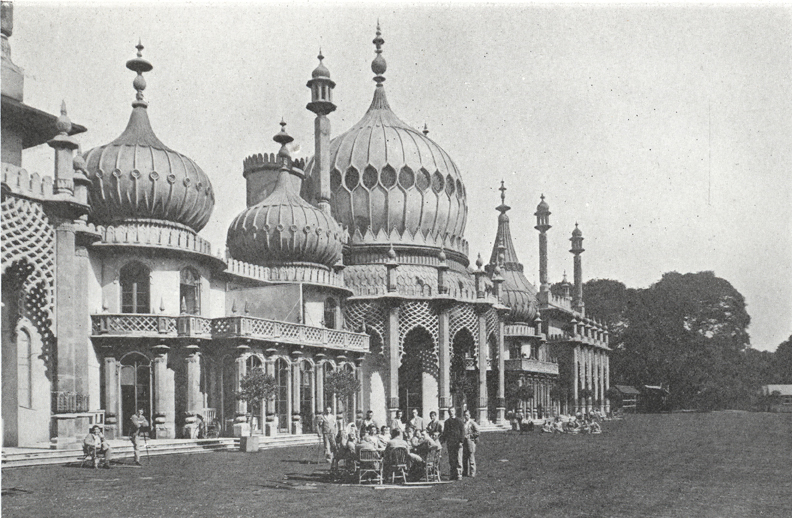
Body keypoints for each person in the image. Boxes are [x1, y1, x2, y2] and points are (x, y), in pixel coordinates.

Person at [441, 407, 464, 481]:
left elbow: (462, 432)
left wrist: (461, 441)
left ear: (455, 412)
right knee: (451, 459)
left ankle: (459, 474)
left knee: (458, 458)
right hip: (450, 443)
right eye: (450, 411)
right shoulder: (447, 422)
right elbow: (445, 433)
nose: (451, 412)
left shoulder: (459, 421)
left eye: (452, 411)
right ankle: (453, 474)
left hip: (458, 443)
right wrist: (441, 441)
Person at [462, 409, 480, 477]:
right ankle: (465, 472)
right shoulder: (463, 423)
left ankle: (473, 472)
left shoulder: (472, 423)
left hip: (471, 442)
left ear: (470, 415)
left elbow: (478, 432)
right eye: (465, 415)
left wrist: (470, 435)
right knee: (464, 457)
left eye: (467, 415)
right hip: (464, 442)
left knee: (471, 456)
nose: (466, 416)